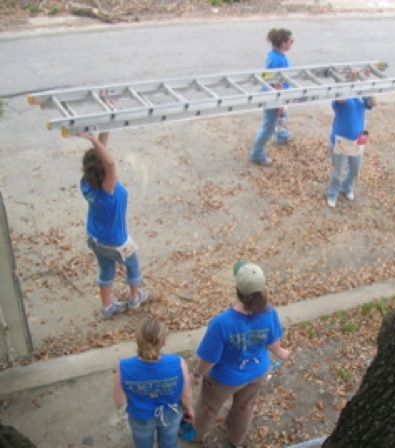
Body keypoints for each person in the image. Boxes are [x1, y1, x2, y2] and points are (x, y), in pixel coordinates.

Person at [190, 261, 291, 447]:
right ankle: (235, 440)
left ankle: (196, 436)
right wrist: (281, 353)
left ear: (238, 289)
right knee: (244, 407)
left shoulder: (221, 323)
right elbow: (272, 343)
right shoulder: (270, 314)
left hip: (224, 379)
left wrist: (196, 376)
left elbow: (209, 359)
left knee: (208, 408)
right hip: (257, 373)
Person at [79, 131, 148, 319]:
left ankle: (107, 307)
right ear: (106, 174)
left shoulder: (86, 183)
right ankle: (135, 298)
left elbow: (103, 159)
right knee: (133, 265)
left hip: (95, 238)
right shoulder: (107, 191)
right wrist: (93, 139)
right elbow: (109, 162)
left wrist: (105, 128)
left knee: (106, 269)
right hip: (115, 242)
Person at [113, 317, 195, 448]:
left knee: (142, 443)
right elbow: (186, 394)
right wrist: (189, 409)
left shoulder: (123, 367)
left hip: (140, 416)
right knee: (169, 440)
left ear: (137, 341)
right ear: (164, 342)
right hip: (170, 413)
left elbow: (120, 402)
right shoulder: (178, 363)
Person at [326, 68, 377, 208]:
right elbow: (341, 99)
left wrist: (368, 84)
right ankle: (332, 193)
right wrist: (351, 82)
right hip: (341, 140)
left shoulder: (361, 95)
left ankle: (347, 187)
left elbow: (373, 102)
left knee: (355, 169)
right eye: (351, 77)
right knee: (339, 172)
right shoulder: (341, 96)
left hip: (357, 140)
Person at [249, 28, 295, 166]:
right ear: (283, 43)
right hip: (273, 97)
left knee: (281, 117)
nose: (293, 42)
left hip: (271, 93)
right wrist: (280, 103)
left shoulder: (274, 54)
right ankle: (256, 153)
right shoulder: (279, 61)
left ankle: (281, 135)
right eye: (290, 40)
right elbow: (278, 82)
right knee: (268, 126)